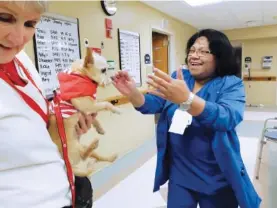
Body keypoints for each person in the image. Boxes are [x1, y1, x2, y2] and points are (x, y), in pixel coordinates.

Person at [112, 29, 261, 208]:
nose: (194, 55)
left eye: (203, 51)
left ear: (220, 56)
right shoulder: (180, 79)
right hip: (180, 175)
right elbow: (154, 103)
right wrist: (133, 93)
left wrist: (187, 99)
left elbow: (227, 117)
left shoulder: (231, 83)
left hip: (217, 177)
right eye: (191, 50)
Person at [0, 1, 94, 207]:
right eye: (4, 18)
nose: (18, 38)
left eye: (30, 24)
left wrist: (66, 125)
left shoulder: (21, 59)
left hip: (67, 190)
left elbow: (37, 128)